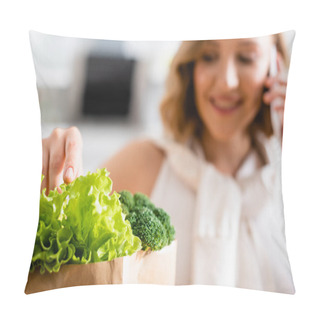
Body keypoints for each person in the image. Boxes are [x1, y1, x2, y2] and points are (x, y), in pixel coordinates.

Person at [41, 33, 295, 294]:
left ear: (276, 66)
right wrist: (41, 180)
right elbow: (61, 259)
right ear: (191, 65)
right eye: (208, 56)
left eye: (246, 58)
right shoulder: (145, 162)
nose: (226, 82)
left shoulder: (289, 178)